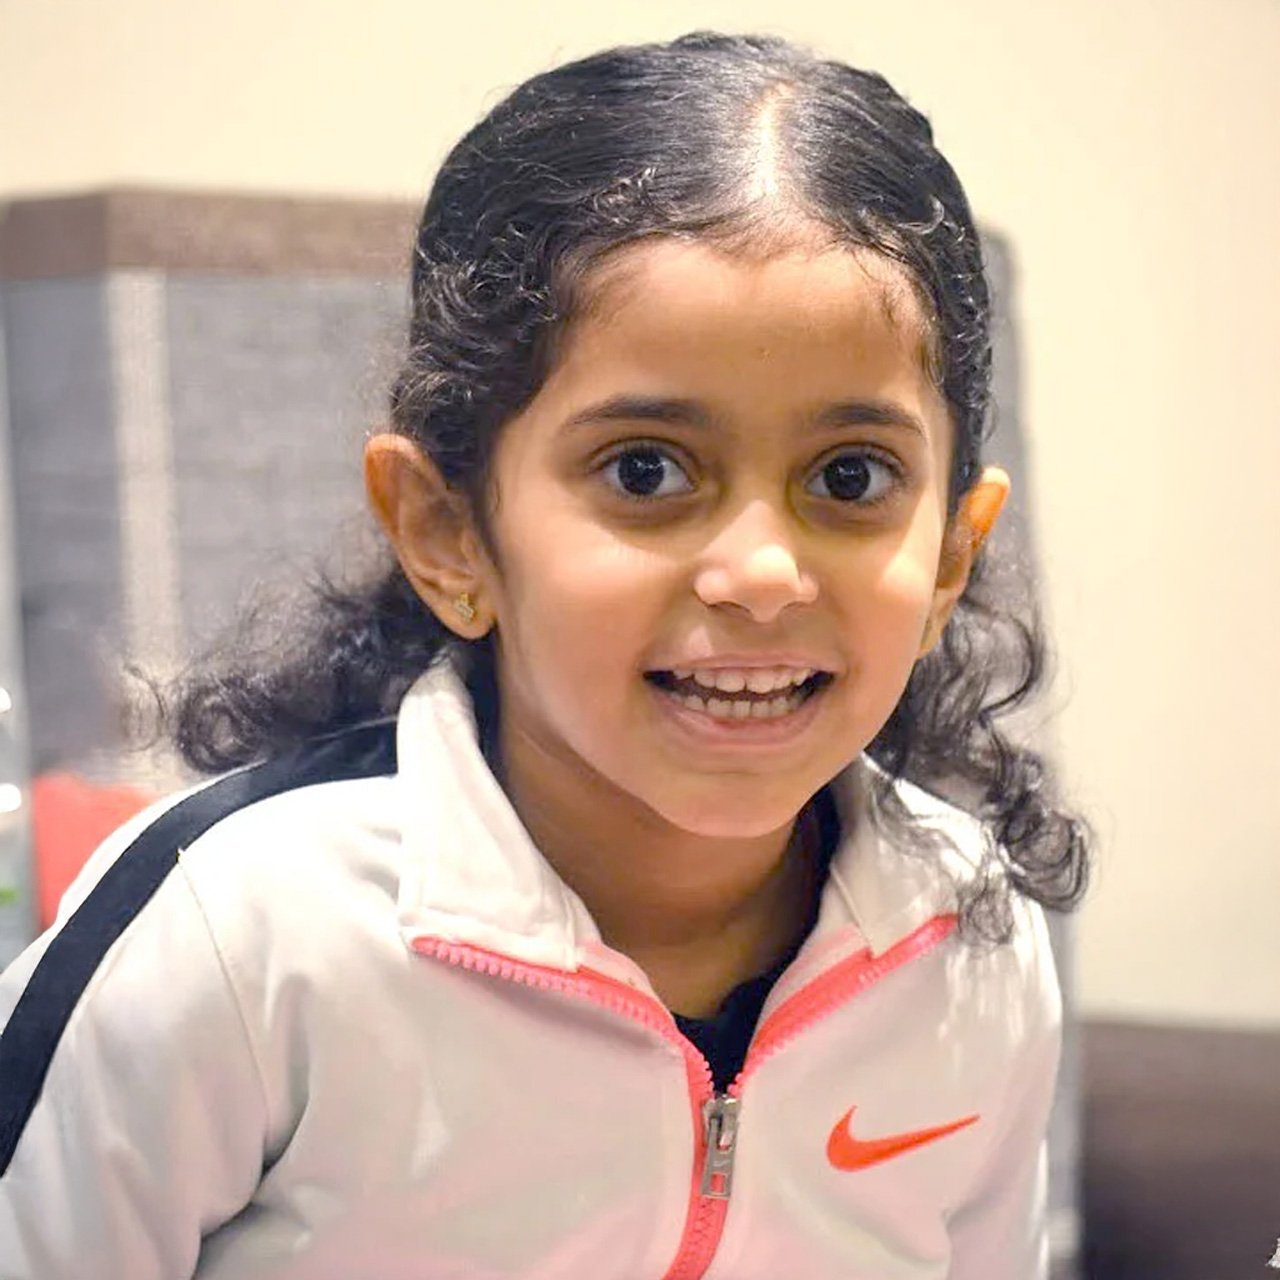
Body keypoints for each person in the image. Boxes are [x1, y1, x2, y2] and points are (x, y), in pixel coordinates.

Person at [0, 31, 1089, 1280]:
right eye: (646, 470)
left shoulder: (970, 936)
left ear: (950, 553)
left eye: (849, 478)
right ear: (447, 529)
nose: (759, 571)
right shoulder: (232, 936)